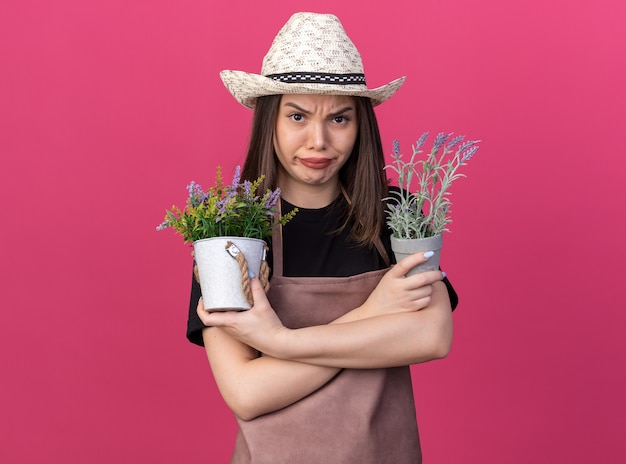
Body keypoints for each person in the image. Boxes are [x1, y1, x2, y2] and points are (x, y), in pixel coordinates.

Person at [186, 12, 458, 464]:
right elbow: (246, 392)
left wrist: (281, 343)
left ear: (361, 124)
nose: (318, 141)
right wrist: (374, 313)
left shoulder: (399, 214)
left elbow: (433, 336)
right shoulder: (230, 229)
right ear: (269, 120)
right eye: (297, 116)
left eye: (339, 118)